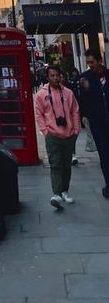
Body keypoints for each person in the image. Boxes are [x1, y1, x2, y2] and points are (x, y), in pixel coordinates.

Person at [34, 64, 81, 210]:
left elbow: (75, 111)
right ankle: (56, 194)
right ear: (47, 77)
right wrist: (45, 131)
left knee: (66, 165)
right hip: (53, 135)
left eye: (57, 75)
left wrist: (76, 129)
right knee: (55, 164)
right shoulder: (42, 94)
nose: (55, 78)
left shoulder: (68, 93)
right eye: (52, 76)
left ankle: (65, 191)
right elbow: (39, 114)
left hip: (69, 134)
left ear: (61, 76)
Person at [80, 49, 109, 198]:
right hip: (98, 123)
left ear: (99, 61)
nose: (90, 65)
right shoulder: (85, 78)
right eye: (88, 62)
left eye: (92, 62)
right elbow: (82, 103)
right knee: (104, 156)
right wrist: (85, 90)